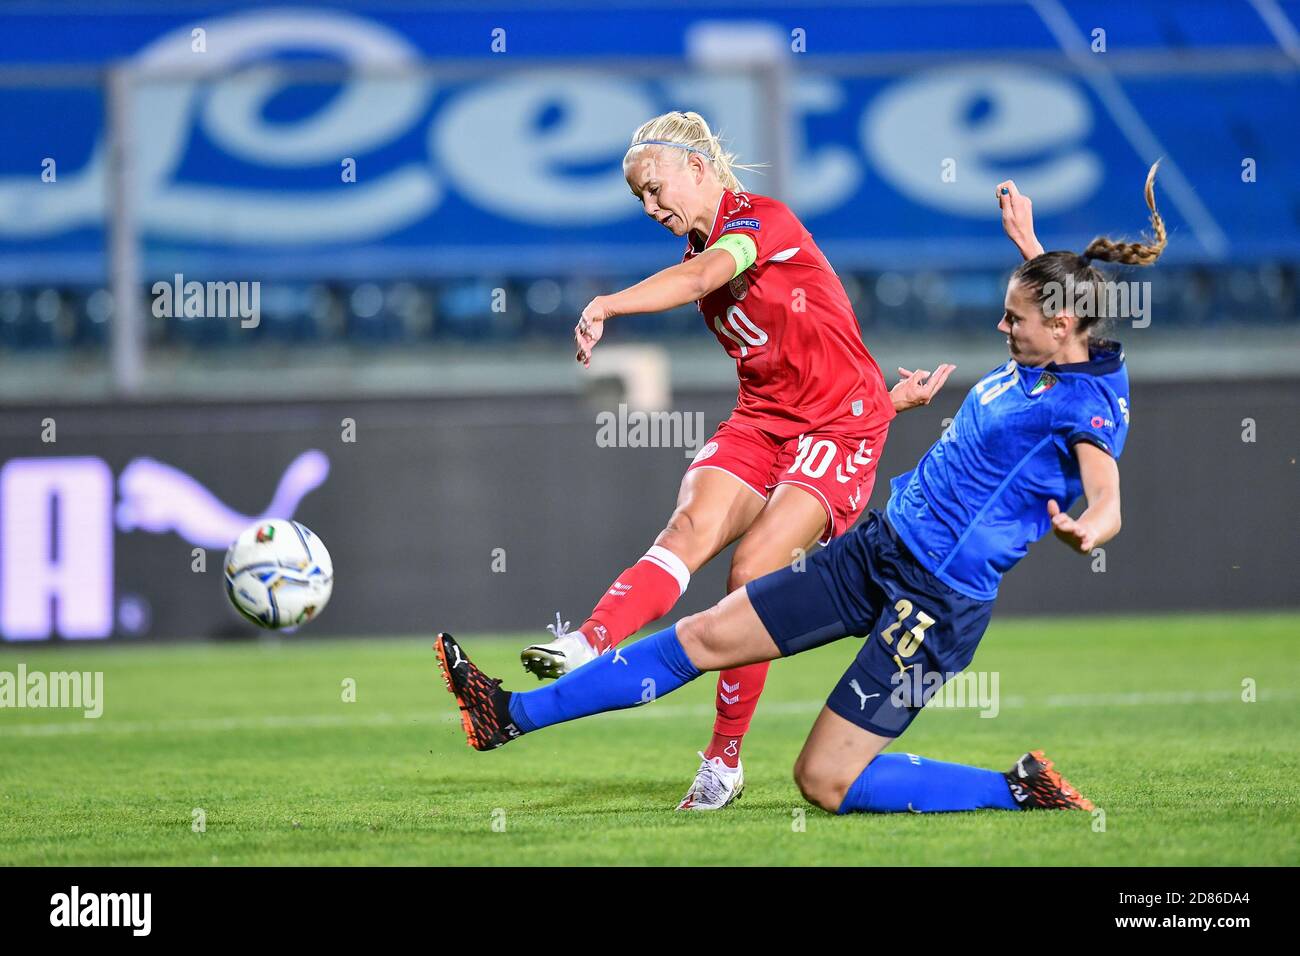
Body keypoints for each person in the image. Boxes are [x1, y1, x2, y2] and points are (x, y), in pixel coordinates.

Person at [436, 163, 1165, 816]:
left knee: (822, 782)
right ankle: (508, 715)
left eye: (1015, 318)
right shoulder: (1066, 335)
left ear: (1060, 325)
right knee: (706, 633)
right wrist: (1028, 241)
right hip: (881, 548)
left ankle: (1014, 789)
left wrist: (1095, 522)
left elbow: (1105, 487)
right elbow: (1052, 301)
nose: (1001, 325)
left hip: (937, 602)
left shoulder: (1084, 407)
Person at [519, 110, 954, 810]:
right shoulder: (699, 248)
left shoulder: (760, 221)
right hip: (764, 419)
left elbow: (702, 285)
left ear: (700, 168)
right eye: (641, 199)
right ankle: (589, 643)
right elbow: (801, 344)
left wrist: (605, 304)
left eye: (657, 188)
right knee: (687, 530)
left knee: (752, 570)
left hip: (839, 428)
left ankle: (723, 761)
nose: (653, 207)